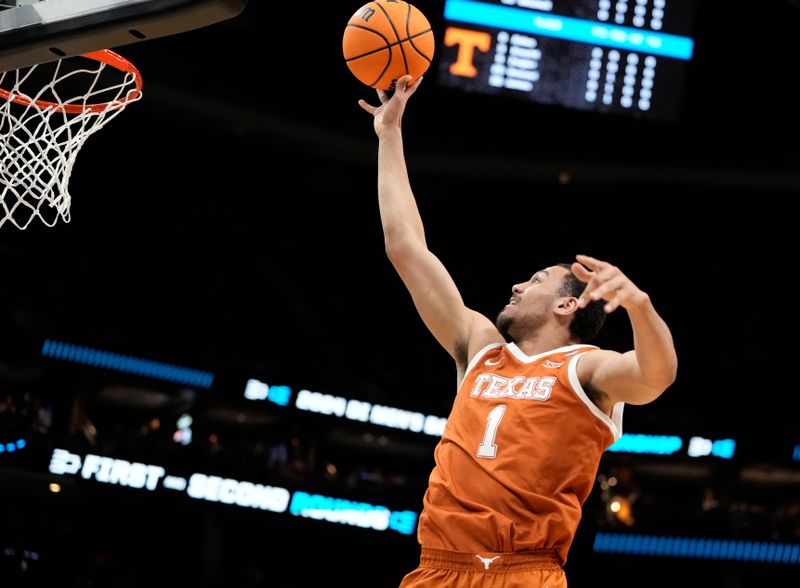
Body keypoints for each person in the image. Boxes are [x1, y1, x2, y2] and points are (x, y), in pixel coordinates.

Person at [357, 75, 678, 588]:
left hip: (524, 573)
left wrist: (640, 306)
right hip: (438, 568)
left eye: (536, 280)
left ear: (568, 304)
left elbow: (657, 375)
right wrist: (389, 133)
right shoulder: (479, 347)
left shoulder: (586, 368)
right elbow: (405, 248)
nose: (517, 284)